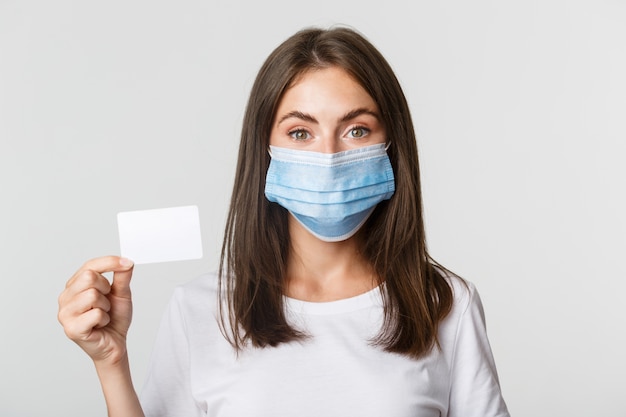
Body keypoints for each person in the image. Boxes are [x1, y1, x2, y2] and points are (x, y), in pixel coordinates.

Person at [58, 27, 510, 417]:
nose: (329, 156)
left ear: (392, 144)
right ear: (265, 150)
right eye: (300, 132)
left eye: (357, 130)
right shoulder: (200, 308)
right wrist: (111, 362)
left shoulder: (445, 304)